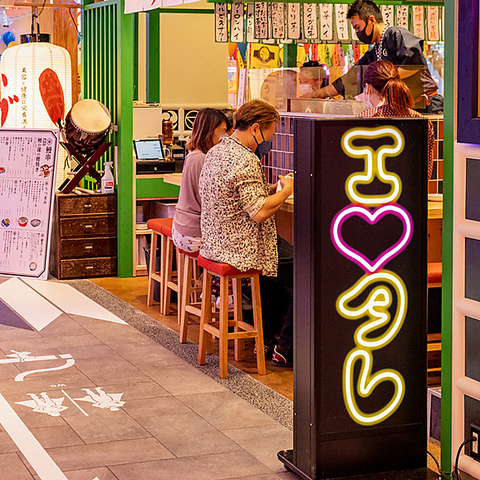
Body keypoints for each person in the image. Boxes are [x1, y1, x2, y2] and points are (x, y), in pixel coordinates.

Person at [199, 99, 295, 367]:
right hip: (243, 248)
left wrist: (273, 189)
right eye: (271, 132)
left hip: (216, 243)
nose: (271, 140)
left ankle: (265, 340)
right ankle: (286, 349)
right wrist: (287, 191)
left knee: (275, 272)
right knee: (309, 271)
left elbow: (243, 196)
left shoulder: (217, 151)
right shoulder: (246, 159)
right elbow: (260, 212)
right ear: (255, 129)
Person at [315, 0, 443, 113]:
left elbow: (415, 62)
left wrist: (384, 79)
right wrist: (320, 93)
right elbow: (351, 77)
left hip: (427, 104)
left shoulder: (395, 34)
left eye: (358, 28)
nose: (358, 33)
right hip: (405, 109)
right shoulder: (374, 52)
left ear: (371, 20)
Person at [357, 60, 435, 179]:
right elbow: (426, 173)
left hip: (371, 189)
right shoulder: (421, 121)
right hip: (412, 190)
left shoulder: (362, 120)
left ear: (368, 88)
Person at [172, 108, 228, 253]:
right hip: (193, 233)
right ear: (209, 131)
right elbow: (208, 200)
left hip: (182, 228)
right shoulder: (201, 158)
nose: (225, 137)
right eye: (222, 131)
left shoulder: (194, 155)